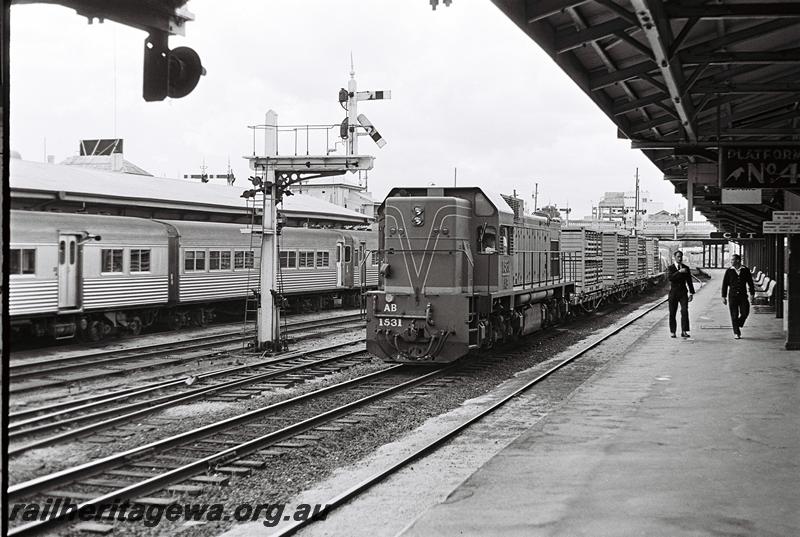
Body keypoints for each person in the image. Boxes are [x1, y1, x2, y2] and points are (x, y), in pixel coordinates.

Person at [721, 254, 756, 339]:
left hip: (743, 295)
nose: (731, 261)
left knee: (745, 312)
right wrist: (723, 296)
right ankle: (736, 332)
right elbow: (725, 284)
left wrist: (752, 294)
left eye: (733, 260)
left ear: (738, 261)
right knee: (734, 314)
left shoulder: (745, 270)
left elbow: (750, 283)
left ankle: (739, 323)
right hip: (732, 296)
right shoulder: (729, 271)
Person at [667, 250, 695, 338]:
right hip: (673, 293)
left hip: (683, 292)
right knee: (672, 313)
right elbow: (670, 278)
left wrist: (691, 293)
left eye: (681, 257)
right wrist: (679, 272)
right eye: (678, 257)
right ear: (674, 258)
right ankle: (673, 331)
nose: (680, 258)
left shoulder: (686, 268)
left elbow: (689, 281)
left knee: (684, 311)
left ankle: (684, 331)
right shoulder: (670, 268)